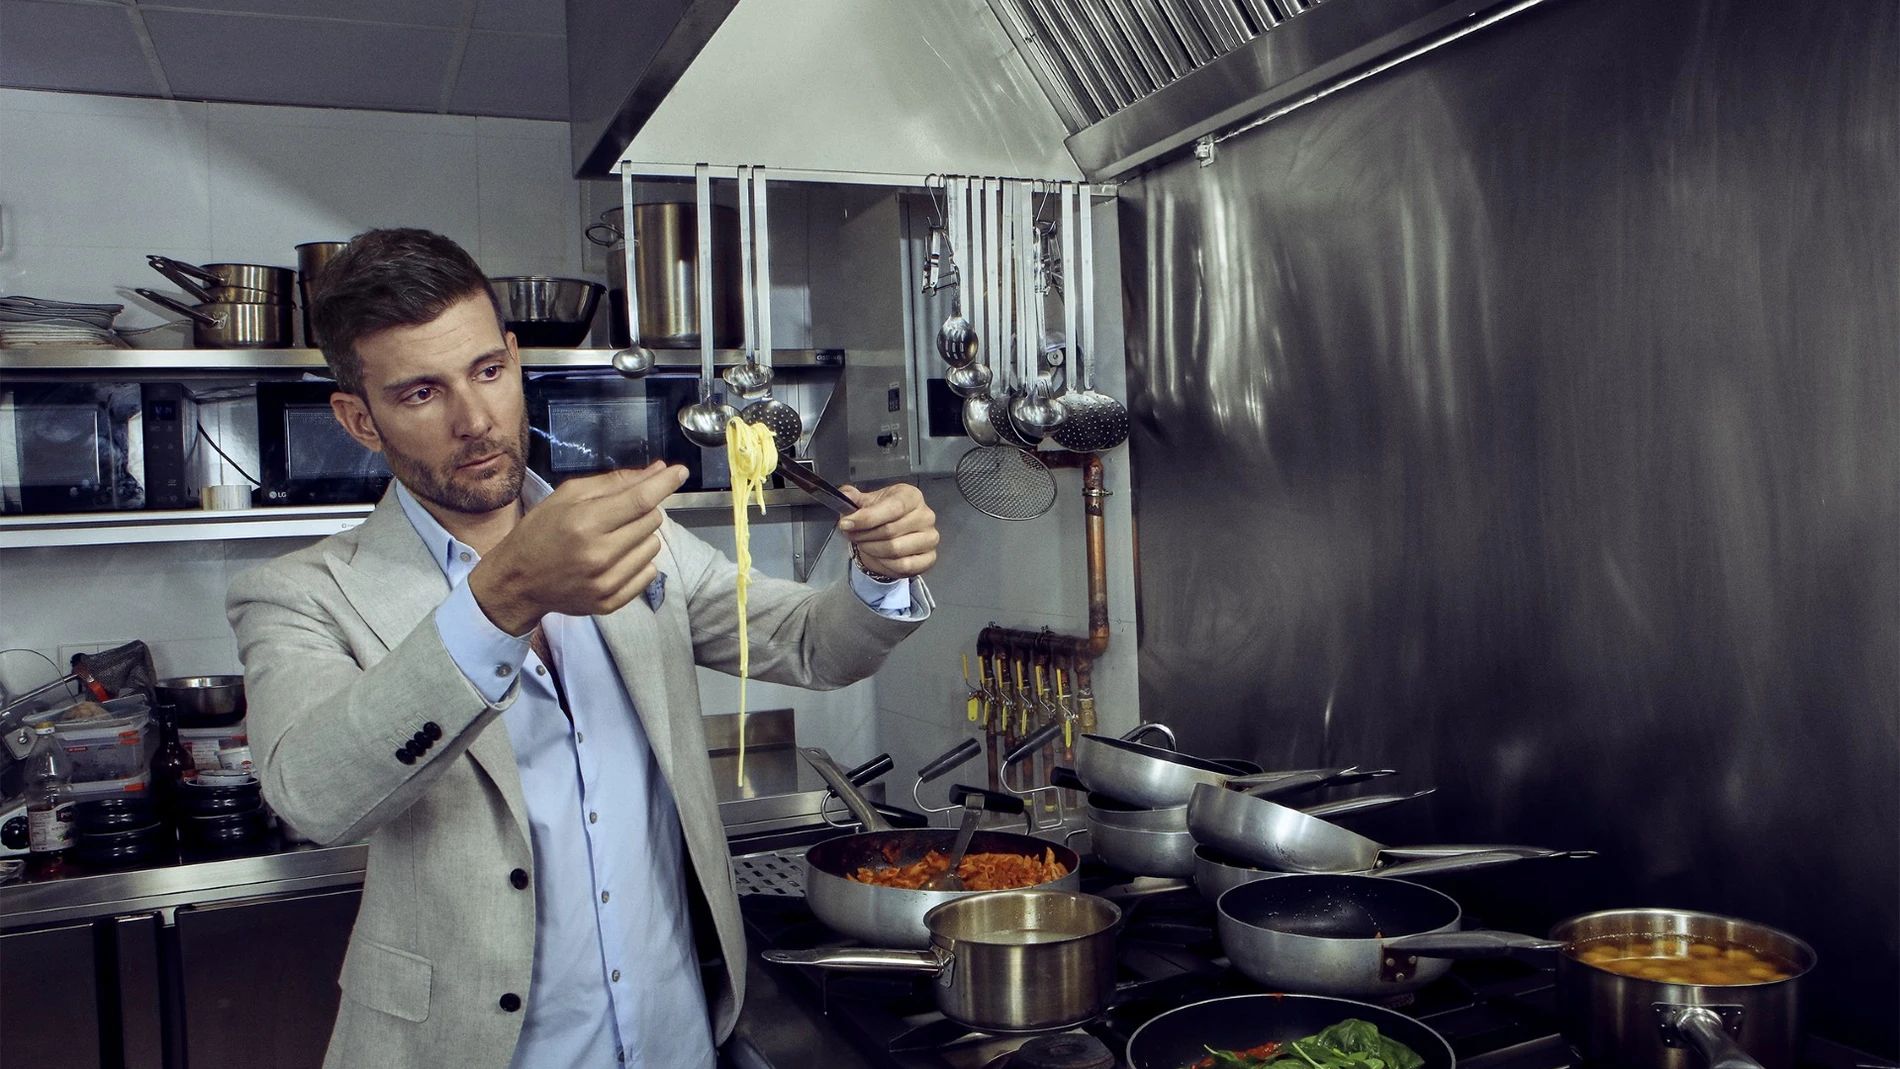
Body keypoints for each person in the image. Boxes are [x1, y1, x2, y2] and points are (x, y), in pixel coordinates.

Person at [226, 228, 939, 1069]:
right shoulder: (302, 592)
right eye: (421, 393)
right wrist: (505, 596)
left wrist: (879, 573)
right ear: (359, 418)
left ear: (515, 357)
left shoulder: (637, 536)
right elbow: (314, 794)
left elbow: (812, 644)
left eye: (489, 371)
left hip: (676, 1038)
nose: (475, 419)